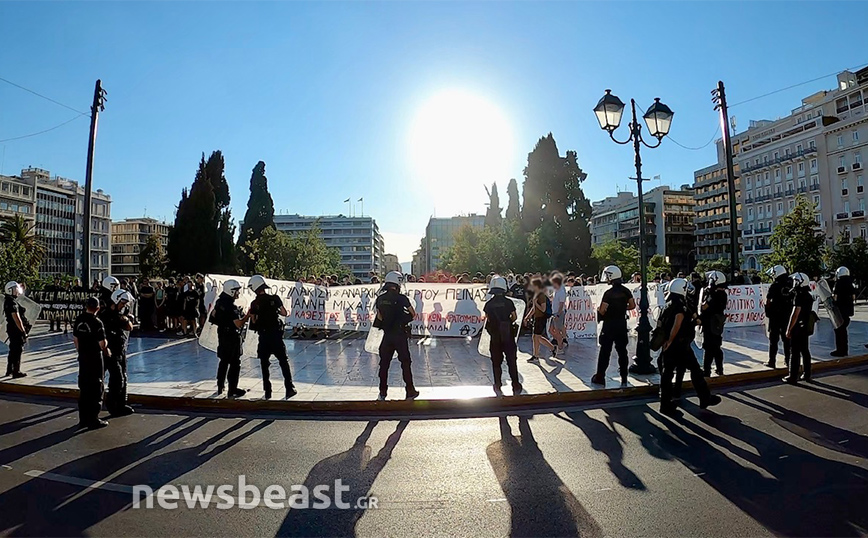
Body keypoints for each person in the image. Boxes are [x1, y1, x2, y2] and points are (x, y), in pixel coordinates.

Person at [658, 278, 721, 415]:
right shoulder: (681, 305)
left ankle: (665, 403)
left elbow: (660, 323)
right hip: (680, 344)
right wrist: (670, 339)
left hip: (670, 345)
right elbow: (678, 323)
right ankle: (705, 398)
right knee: (696, 371)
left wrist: (665, 341)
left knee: (667, 374)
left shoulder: (667, 304)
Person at [248, 275, 296, 399]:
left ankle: (268, 391)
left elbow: (253, 320)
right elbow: (284, 313)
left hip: (263, 337)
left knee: (264, 364)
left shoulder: (254, 303)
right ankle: (289, 388)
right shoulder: (274, 299)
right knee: (283, 361)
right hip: (275, 335)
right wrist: (275, 311)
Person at [373, 271, 418, 400]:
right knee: (405, 363)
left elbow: (380, 316)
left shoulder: (380, 298)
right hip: (399, 335)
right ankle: (410, 390)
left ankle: (382, 392)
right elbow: (413, 314)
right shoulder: (402, 298)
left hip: (387, 336)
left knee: (384, 364)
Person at [591, 265, 635, 386]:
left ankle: (600, 376)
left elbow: (603, 310)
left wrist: (601, 310)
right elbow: (632, 306)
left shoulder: (608, 293)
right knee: (622, 351)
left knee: (605, 351)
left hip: (609, 325)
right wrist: (622, 308)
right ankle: (624, 376)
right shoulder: (626, 291)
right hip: (621, 324)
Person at [73, 297, 110, 429]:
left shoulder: (79, 319)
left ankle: (83, 418)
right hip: (94, 358)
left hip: (83, 357)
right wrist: (106, 347)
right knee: (96, 387)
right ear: (98, 308)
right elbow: (102, 343)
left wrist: (80, 351)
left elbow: (75, 338)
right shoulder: (97, 322)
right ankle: (93, 418)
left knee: (84, 387)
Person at [210, 279, 249, 398]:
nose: (238, 294)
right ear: (231, 291)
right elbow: (238, 324)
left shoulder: (219, 302)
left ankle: (220, 385)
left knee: (223, 361)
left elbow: (213, 317)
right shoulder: (231, 307)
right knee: (235, 363)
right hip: (232, 336)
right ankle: (232, 389)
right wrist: (246, 316)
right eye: (236, 291)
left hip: (222, 334)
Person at [98, 289, 135, 416]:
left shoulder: (121, 312)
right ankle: (112, 404)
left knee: (123, 376)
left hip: (120, 348)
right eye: (122, 302)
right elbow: (127, 325)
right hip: (109, 350)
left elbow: (129, 326)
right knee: (117, 378)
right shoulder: (106, 314)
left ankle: (121, 404)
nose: (124, 306)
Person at [484, 276, 521, 396]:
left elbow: (488, 319)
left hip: (495, 337)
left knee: (496, 363)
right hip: (508, 335)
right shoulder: (509, 302)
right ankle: (515, 385)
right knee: (511, 361)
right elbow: (514, 317)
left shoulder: (488, 304)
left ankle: (498, 385)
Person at [784, 272, 815, 384]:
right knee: (805, 351)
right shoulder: (808, 295)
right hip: (806, 326)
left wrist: (789, 329)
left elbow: (795, 314)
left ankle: (792, 376)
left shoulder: (799, 295)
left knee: (795, 352)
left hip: (798, 327)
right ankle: (807, 374)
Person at [700, 270, 728, 377]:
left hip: (710, 323)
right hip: (717, 323)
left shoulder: (713, 294)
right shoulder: (723, 294)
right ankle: (719, 369)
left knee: (709, 348)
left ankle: (707, 371)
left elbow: (704, 306)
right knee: (716, 347)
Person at [765, 265, 791, 368]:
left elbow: (768, 301)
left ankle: (772, 361)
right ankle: (788, 360)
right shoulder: (790, 283)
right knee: (787, 340)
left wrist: (768, 311)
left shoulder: (774, 286)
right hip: (787, 315)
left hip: (775, 316)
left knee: (773, 340)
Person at [524, 277, 556, 362]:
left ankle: (536, 355)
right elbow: (534, 309)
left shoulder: (541, 296)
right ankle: (551, 348)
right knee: (536, 337)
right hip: (537, 318)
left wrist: (535, 303)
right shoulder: (536, 295)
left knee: (536, 337)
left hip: (541, 318)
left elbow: (543, 309)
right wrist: (527, 317)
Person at [4, 281, 30, 378]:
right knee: (17, 350)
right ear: (10, 290)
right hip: (15, 330)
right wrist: (23, 331)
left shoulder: (9, 300)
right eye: (15, 289)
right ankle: (16, 371)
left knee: (12, 349)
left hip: (11, 328)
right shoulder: (12, 302)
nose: (17, 291)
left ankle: (9, 370)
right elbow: (16, 318)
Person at [831, 266, 854, 357]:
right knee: (844, 331)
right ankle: (845, 350)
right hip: (847, 311)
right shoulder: (850, 283)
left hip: (839, 311)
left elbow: (835, 296)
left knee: (839, 331)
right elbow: (853, 297)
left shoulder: (838, 283)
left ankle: (840, 351)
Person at [549, 273, 568, 353]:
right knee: (551, 330)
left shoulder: (561, 292)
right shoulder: (556, 290)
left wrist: (558, 314)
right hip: (554, 312)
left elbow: (561, 304)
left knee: (557, 330)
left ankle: (560, 347)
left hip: (558, 313)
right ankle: (560, 342)